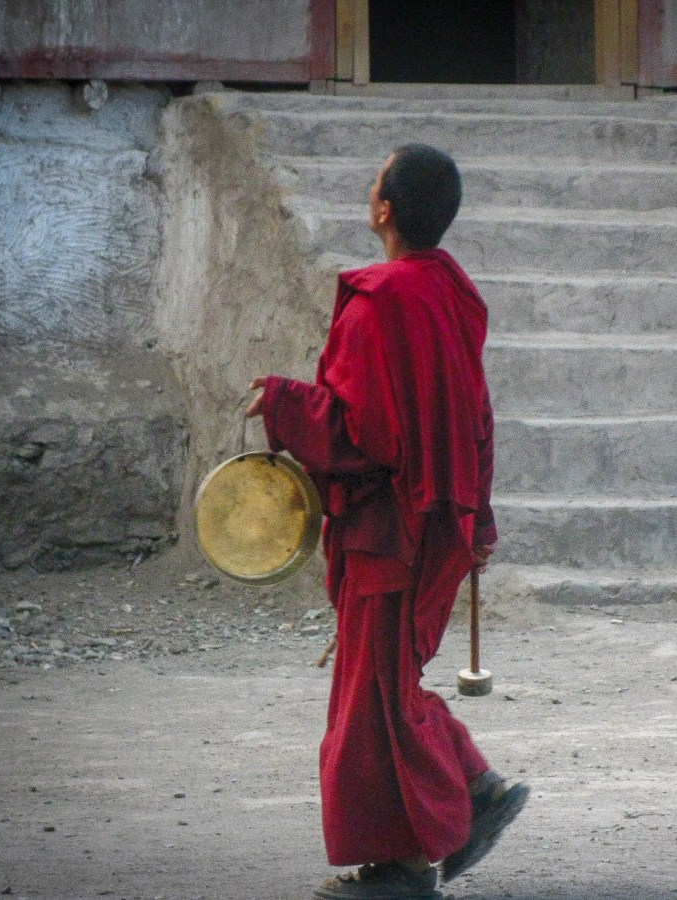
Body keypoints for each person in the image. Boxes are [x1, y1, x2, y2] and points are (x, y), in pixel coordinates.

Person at [246, 144, 528, 900]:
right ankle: (470, 792)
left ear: (384, 212)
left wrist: (280, 401)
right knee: (387, 686)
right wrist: (482, 519)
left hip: (388, 530)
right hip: (443, 521)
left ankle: (415, 854)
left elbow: (359, 432)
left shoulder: (383, 299)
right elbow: (477, 416)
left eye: (375, 182)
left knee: (376, 699)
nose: (370, 190)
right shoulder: (454, 294)